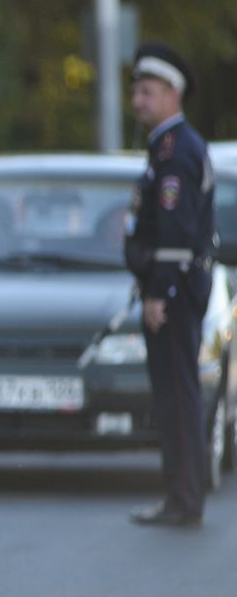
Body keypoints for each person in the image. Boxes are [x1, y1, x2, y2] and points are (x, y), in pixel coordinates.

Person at [123, 41, 215, 528]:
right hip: (174, 288)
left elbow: (176, 236)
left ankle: (184, 499)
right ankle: (179, 494)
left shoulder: (176, 152)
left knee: (178, 395)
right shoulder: (165, 148)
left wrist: (159, 292)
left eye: (148, 91)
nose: (138, 101)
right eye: (137, 91)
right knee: (172, 394)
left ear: (172, 93)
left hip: (175, 291)